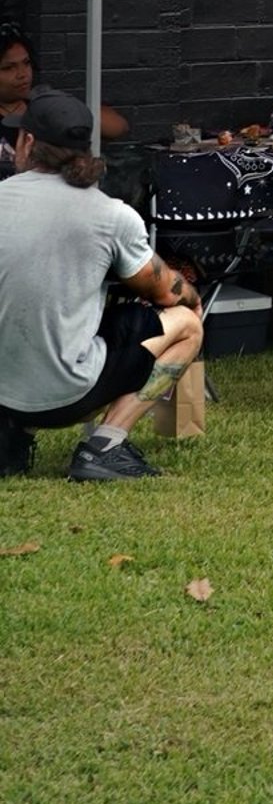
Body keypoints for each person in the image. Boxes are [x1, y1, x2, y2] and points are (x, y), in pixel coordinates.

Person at [0, 89, 203, 483]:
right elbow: (165, 293)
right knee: (185, 323)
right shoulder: (110, 214)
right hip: (66, 397)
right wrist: (192, 300)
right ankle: (105, 446)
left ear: (27, 142)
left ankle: (10, 439)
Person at [0, 24, 127, 167]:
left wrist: (69, 111)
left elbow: (117, 127)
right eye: (8, 68)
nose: (22, 74)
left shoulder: (43, 106)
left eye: (26, 63)